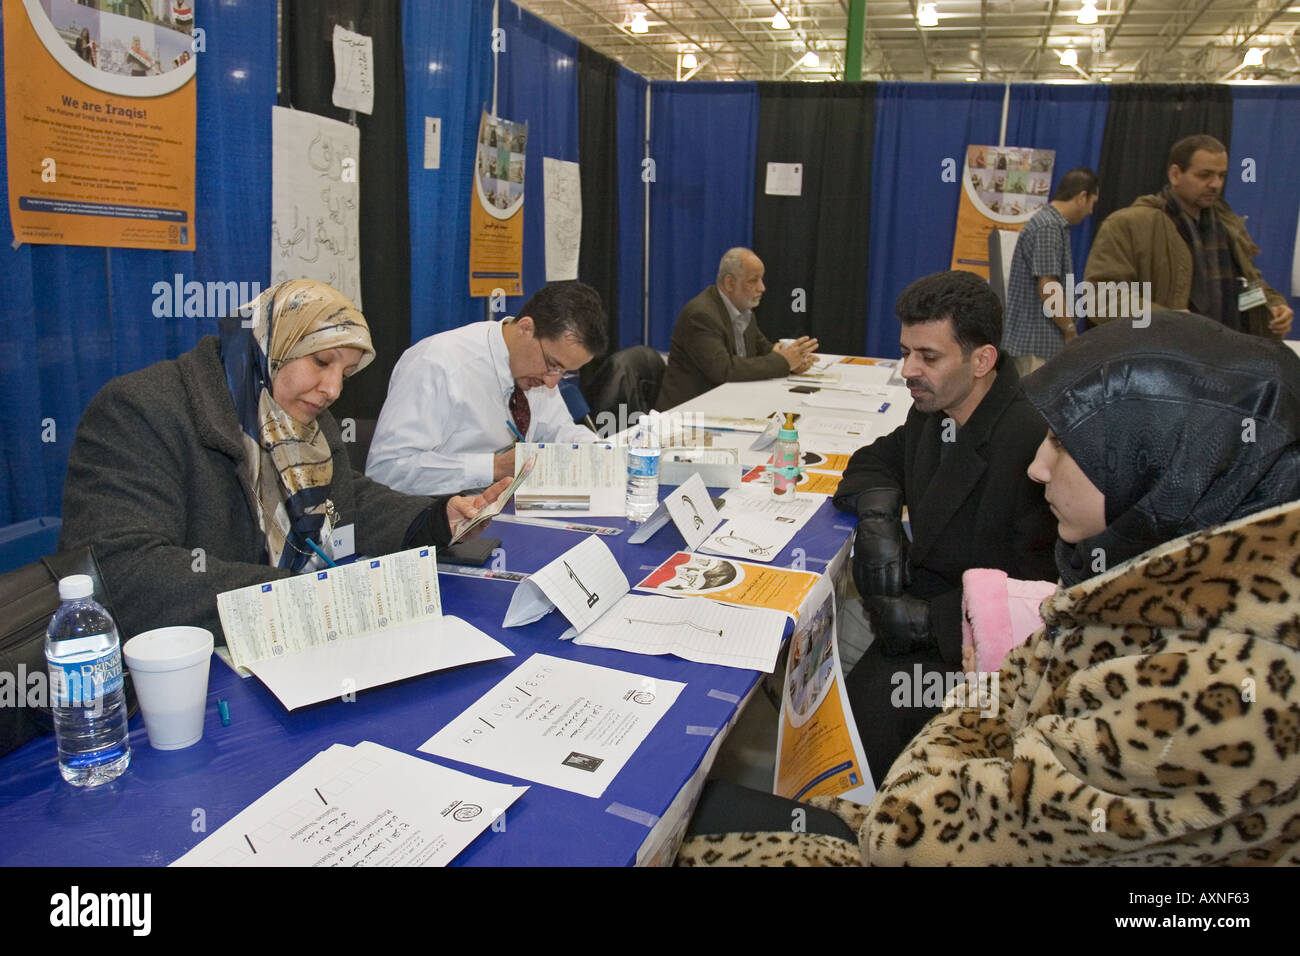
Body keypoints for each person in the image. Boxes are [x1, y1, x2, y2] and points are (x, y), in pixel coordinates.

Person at [677, 310, 1300, 866]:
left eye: (1065, 445)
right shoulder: (1149, 585)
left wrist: (965, 682)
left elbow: (909, 834)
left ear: (1155, 462)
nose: (1040, 466)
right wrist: (877, 512)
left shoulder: (1215, 689)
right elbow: (878, 461)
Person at [59, 279, 509, 644]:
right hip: (186, 666)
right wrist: (299, 597)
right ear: (270, 343)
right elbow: (122, 571)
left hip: (289, 639)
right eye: (321, 361)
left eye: (345, 374)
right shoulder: (143, 408)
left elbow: (344, 497)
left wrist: (434, 518)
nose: (332, 389)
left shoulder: (292, 410)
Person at [833, 270, 1057, 781]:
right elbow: (874, 460)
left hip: (971, 650)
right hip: (920, 617)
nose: (908, 369)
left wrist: (923, 621)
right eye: (906, 351)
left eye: (927, 357)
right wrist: (879, 517)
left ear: (982, 361)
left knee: (860, 739)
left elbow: (1038, 593)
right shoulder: (936, 410)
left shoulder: (1028, 443)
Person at [366, 281, 607, 495]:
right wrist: (494, 467)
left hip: (505, 507)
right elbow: (386, 471)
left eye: (565, 372)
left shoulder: (535, 370)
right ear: (525, 328)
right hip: (436, 517)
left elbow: (557, 431)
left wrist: (599, 452)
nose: (552, 382)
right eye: (553, 365)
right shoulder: (438, 364)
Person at [1085, 134, 1294, 338]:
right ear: (1175, 174)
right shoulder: (1129, 224)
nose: (1216, 184)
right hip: (1162, 360)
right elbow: (1099, 298)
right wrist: (1165, 318)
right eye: (1205, 175)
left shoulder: (1229, 227)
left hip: (1229, 357)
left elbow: (1249, 285)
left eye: (1221, 175)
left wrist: (1274, 306)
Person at [654, 248, 818, 410]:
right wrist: (783, 362)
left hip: (726, 402)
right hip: (688, 412)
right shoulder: (701, 315)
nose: (762, 288)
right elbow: (723, 370)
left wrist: (793, 361)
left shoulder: (744, 311)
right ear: (730, 283)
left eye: (761, 279)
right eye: (753, 280)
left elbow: (766, 352)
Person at [1001, 167, 1100, 375]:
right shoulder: (1048, 227)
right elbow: (1048, 287)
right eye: (1093, 203)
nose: (1091, 211)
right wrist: (1070, 330)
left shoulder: (1051, 225)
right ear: (1082, 197)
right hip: (1035, 350)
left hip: (1035, 347)